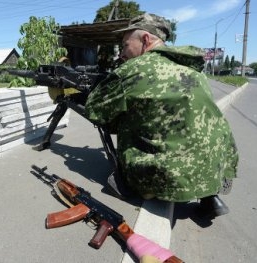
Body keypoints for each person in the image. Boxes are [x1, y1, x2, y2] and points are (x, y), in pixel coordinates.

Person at [85, 13, 238, 217]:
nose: (122, 53)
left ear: (145, 40)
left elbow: (96, 111)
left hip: (169, 176)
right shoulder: (192, 68)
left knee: (126, 121)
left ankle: (137, 187)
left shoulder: (134, 69)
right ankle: (209, 194)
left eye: (125, 45)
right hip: (216, 166)